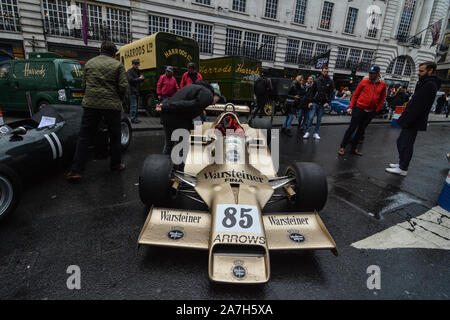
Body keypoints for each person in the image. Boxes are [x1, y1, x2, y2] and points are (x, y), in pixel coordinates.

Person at [67, 41, 128, 182]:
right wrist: (119, 98)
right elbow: (124, 86)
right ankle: (115, 166)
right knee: (114, 136)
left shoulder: (89, 63)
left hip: (91, 104)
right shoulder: (117, 65)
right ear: (114, 54)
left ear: (100, 51)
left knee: (84, 136)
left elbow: (83, 85)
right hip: (111, 106)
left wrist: (89, 96)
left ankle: (76, 171)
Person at [386, 62, 441, 176]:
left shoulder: (430, 85)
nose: (419, 73)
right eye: (419, 71)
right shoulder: (424, 83)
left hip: (413, 120)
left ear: (430, 71)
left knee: (406, 144)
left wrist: (409, 119)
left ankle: (403, 168)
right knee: (401, 142)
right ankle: (402, 164)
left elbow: (420, 106)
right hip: (411, 118)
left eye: (421, 71)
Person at [156, 80, 221, 155]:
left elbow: (181, 100)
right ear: (215, 94)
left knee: (168, 145)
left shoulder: (193, 87)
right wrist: (166, 106)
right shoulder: (208, 95)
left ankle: (165, 165)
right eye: (217, 100)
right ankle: (179, 166)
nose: (214, 104)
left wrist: (165, 106)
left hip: (167, 116)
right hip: (178, 119)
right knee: (182, 148)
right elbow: (189, 105)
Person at [337, 66, 386, 156]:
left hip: (370, 111)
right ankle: (342, 147)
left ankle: (354, 148)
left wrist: (377, 109)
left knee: (361, 131)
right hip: (359, 109)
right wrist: (351, 107)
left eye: (373, 73)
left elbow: (382, 98)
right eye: (370, 73)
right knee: (352, 128)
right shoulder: (364, 82)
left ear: (378, 74)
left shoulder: (382, 84)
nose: (370, 75)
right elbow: (355, 95)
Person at [303, 66, 334, 140]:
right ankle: (307, 132)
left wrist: (328, 102)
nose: (325, 72)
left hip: (323, 103)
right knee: (310, 118)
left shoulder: (330, 81)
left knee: (319, 119)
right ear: (321, 72)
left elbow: (331, 93)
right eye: (324, 71)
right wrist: (310, 101)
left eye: (327, 71)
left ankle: (316, 133)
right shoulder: (317, 81)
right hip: (315, 102)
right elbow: (311, 92)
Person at [126, 59, 145, 124]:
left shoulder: (138, 71)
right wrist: (139, 78)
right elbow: (130, 80)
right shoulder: (129, 71)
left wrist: (142, 78)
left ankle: (135, 118)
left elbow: (139, 80)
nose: (137, 66)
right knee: (133, 106)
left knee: (136, 106)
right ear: (133, 64)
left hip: (137, 91)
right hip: (132, 91)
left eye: (138, 64)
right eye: (136, 64)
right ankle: (133, 119)